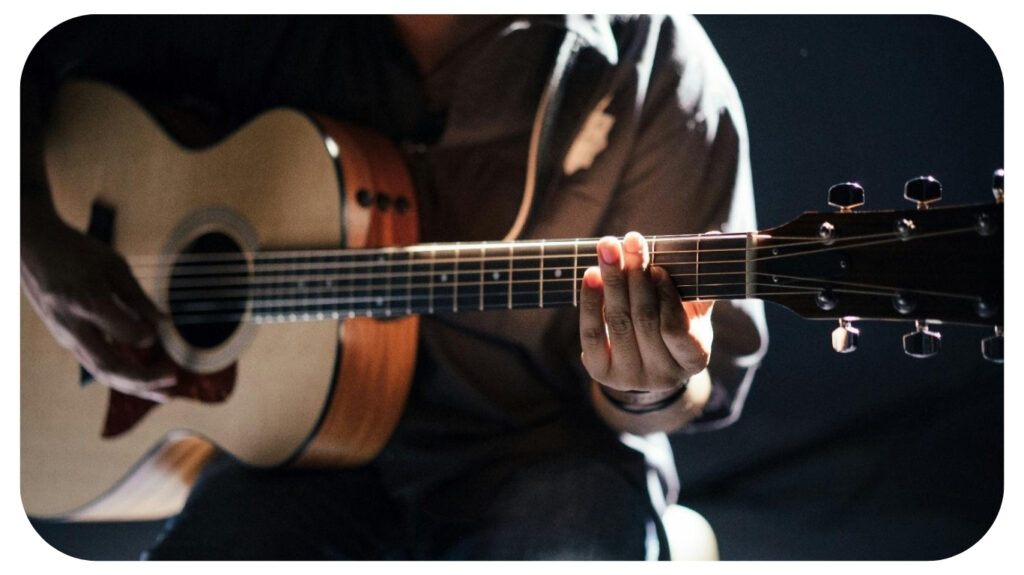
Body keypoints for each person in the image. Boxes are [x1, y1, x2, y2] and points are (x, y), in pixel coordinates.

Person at [21, 15, 767, 559]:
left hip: (540, 453)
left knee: (571, 530)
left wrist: (647, 382)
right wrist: (33, 238)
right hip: (294, 458)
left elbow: (689, 390)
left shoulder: (657, 63)